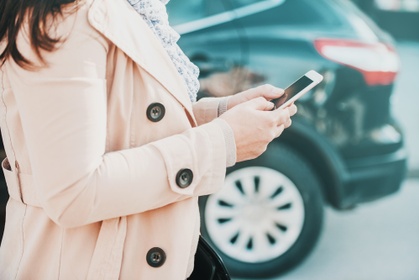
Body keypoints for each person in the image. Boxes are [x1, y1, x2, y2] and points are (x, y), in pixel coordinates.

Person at [0, 0, 297, 279]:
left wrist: (221, 115)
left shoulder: (130, 8)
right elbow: (74, 192)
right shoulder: (65, 16)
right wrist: (220, 142)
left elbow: (127, 122)